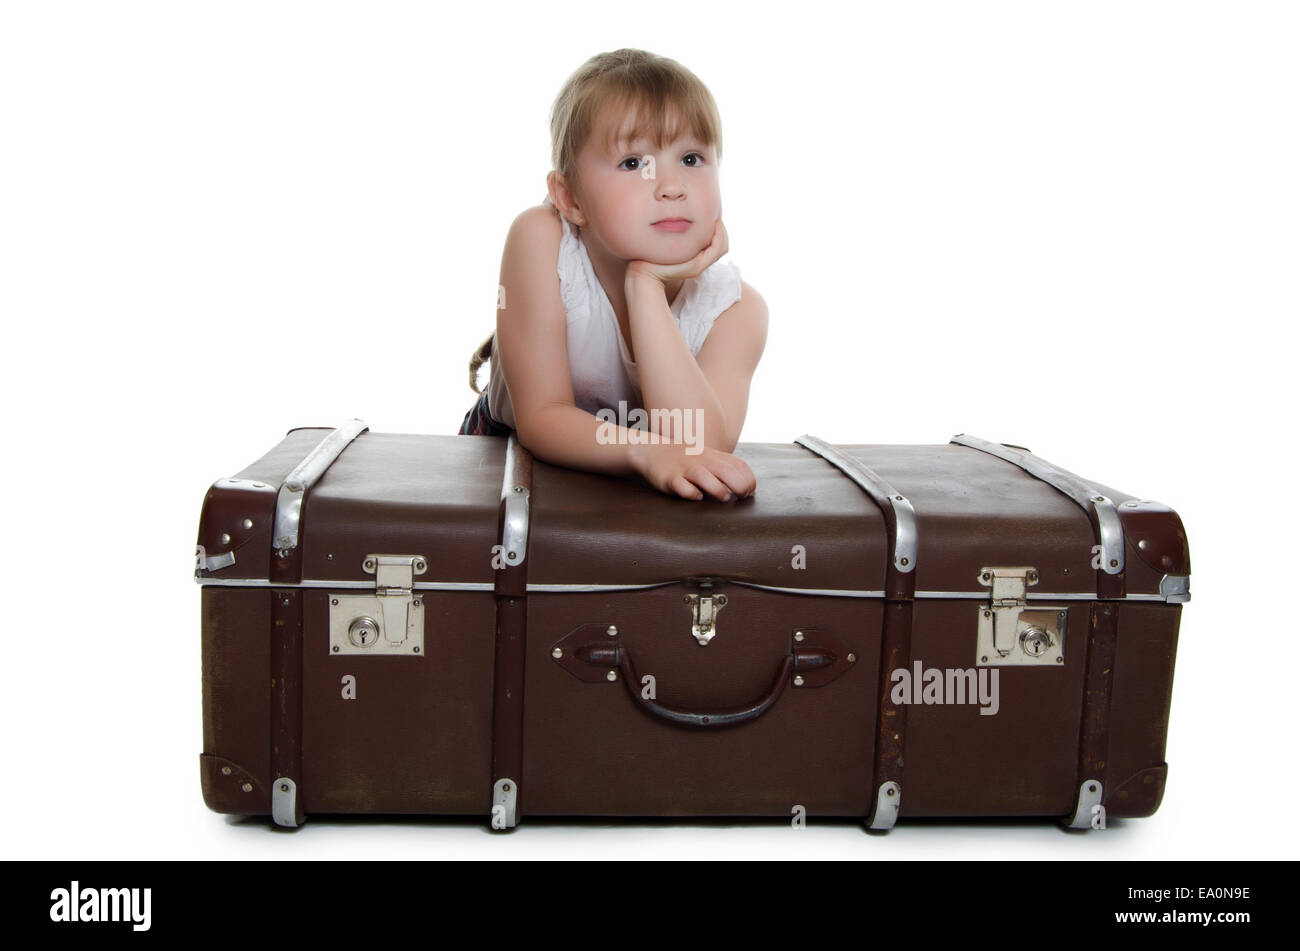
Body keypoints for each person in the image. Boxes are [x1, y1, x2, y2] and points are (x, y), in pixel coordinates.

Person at [459, 49, 768, 502]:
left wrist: (645, 287)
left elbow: (698, 450)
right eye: (633, 163)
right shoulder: (540, 238)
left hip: (635, 491)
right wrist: (646, 453)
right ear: (570, 199)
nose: (672, 186)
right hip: (515, 463)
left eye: (692, 158)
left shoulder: (738, 311)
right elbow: (542, 417)